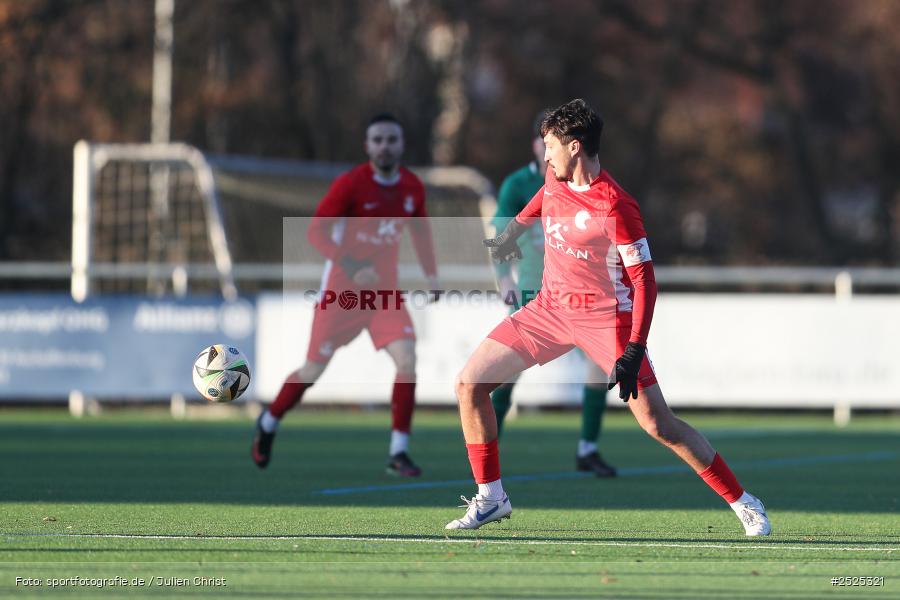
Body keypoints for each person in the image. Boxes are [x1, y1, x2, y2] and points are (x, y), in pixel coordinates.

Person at [446, 99, 771, 536]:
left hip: (606, 320)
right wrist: (512, 232)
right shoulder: (553, 176)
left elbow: (645, 283)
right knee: (470, 383)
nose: (545, 156)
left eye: (551, 148)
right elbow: (545, 198)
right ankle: (491, 498)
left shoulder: (616, 206)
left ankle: (744, 501)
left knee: (659, 424)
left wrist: (635, 348)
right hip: (549, 309)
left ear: (575, 147)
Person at [252, 113, 439, 477]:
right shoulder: (351, 184)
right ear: (367, 146)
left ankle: (398, 451)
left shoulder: (413, 187)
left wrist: (432, 276)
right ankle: (269, 421)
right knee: (312, 371)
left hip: (384, 295)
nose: (385, 146)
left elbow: (421, 232)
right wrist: (353, 267)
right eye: (378, 139)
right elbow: (316, 233)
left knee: (407, 359)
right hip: (342, 294)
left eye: (392, 139)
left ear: (401, 145)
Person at [490, 111, 616, 477]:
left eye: (551, 143)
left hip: (584, 296)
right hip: (536, 291)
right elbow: (502, 237)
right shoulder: (518, 184)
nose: (546, 152)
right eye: (542, 142)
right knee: (503, 372)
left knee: (602, 369)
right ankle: (490, 447)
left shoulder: (584, 184)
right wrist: (504, 280)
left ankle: (588, 448)